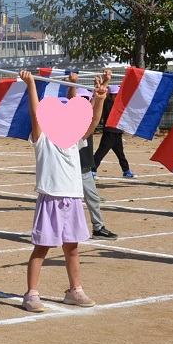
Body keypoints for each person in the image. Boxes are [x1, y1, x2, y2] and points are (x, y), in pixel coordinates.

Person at [20, 70, 108, 313]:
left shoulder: (75, 139)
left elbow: (93, 121)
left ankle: (74, 291)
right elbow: (35, 113)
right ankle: (31, 294)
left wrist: (99, 99)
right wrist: (31, 84)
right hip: (50, 199)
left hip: (73, 200)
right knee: (42, 248)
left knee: (72, 248)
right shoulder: (42, 139)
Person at [67, 76, 118, 240]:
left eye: (86, 99)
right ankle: (62, 228)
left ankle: (98, 228)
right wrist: (73, 84)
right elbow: (73, 100)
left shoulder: (87, 118)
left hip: (84, 167)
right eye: (80, 99)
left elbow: (96, 103)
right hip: (69, 168)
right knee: (66, 200)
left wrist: (104, 84)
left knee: (93, 198)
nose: (84, 102)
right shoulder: (71, 121)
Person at [92, 71, 135, 179]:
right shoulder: (106, 103)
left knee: (121, 154)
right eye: (115, 95)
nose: (117, 97)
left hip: (118, 133)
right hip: (109, 133)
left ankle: (126, 171)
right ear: (110, 96)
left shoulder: (119, 105)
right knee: (101, 153)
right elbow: (101, 93)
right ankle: (92, 170)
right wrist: (101, 82)